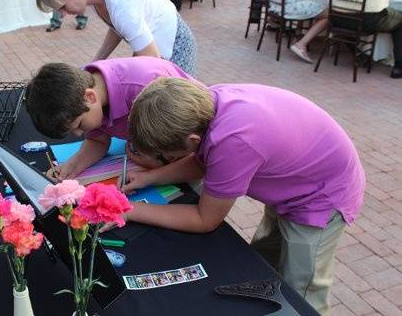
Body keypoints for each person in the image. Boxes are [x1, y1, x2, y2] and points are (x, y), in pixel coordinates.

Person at [123, 77, 365, 316]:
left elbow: (204, 219)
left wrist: (131, 209)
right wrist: (149, 178)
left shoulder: (234, 141)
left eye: (165, 153)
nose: (165, 158)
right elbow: (203, 162)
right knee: (263, 261)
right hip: (293, 181)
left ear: (192, 140)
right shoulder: (206, 105)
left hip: (321, 196)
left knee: (303, 289)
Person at [25, 57, 200, 179]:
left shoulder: (146, 91)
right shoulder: (83, 93)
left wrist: (153, 169)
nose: (79, 134)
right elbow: (98, 141)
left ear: (90, 97)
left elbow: (191, 150)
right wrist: (70, 167)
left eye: (79, 125)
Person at [36, 0, 198, 75]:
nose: (63, 14)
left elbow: (151, 59)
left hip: (174, 48)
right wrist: (95, 63)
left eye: (62, 7)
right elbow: (116, 28)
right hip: (158, 47)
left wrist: (113, 75)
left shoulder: (121, 5)